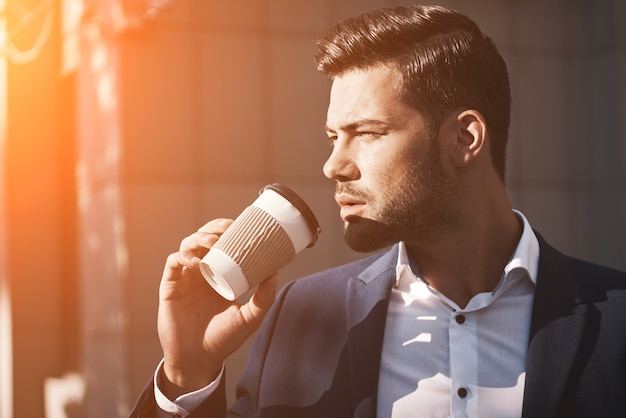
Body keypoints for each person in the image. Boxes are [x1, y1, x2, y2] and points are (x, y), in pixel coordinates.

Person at [130, 5, 626, 418]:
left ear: (464, 138)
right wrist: (185, 374)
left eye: (366, 133)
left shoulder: (616, 323)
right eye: (332, 137)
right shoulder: (295, 318)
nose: (332, 165)